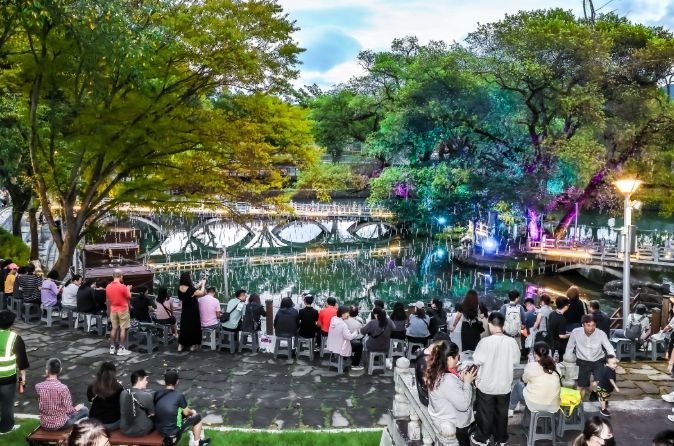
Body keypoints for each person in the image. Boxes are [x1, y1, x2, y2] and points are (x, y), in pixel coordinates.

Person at [470, 312, 521, 446]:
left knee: (485, 413)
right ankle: (501, 438)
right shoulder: (511, 342)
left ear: (490, 325)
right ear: (503, 325)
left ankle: (483, 438)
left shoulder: (485, 342)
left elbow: (477, 360)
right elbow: (515, 360)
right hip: (504, 384)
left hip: (487, 384)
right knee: (502, 413)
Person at [424, 340, 477, 446]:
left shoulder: (436, 369)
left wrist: (460, 379)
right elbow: (463, 405)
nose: (458, 359)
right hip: (453, 425)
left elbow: (449, 392)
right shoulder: (447, 380)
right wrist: (467, 383)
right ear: (449, 359)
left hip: (441, 415)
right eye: (457, 356)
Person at [154, 369, 210, 446]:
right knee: (198, 417)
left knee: (181, 416)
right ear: (177, 382)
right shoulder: (179, 396)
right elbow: (186, 412)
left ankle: (195, 438)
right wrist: (192, 412)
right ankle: (198, 443)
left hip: (160, 430)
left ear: (164, 381)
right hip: (173, 433)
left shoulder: (157, 394)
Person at [567, 314, 615, 400]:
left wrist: (612, 358)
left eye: (593, 325)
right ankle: (578, 403)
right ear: (583, 325)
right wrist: (567, 360)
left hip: (598, 360)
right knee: (581, 386)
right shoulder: (575, 332)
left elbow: (609, 347)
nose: (591, 328)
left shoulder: (601, 334)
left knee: (600, 383)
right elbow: (569, 347)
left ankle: (594, 393)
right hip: (582, 361)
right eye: (588, 325)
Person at [508, 341, 561, 416]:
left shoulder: (531, 366)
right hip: (553, 404)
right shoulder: (555, 365)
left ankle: (510, 409)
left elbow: (524, 379)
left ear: (535, 354)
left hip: (535, 404)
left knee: (518, 385)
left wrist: (530, 364)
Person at [35, 358, 89, 430]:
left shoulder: (38, 386)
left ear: (46, 370)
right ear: (60, 370)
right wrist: (77, 408)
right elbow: (69, 411)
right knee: (84, 410)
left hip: (44, 424)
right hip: (61, 425)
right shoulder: (63, 388)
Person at [0, 310, 29, 433]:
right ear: (11, 323)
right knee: (7, 404)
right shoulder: (15, 338)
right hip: (8, 378)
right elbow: (22, 362)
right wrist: (22, 380)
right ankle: (6, 428)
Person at [414, 332, 451, 406]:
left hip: (427, 395)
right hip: (428, 399)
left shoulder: (426, 352)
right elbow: (432, 388)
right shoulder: (427, 362)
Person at [87, 362, 123, 431]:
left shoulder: (92, 386)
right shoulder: (118, 387)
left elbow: (89, 400)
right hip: (111, 424)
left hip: (94, 422)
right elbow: (122, 403)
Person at [120, 369, 155, 437]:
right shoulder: (147, 396)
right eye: (145, 379)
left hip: (124, 429)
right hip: (140, 431)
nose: (147, 382)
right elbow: (152, 414)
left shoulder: (123, 393)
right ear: (139, 379)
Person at [177, 272, 206, 352]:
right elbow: (201, 293)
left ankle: (181, 345)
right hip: (193, 310)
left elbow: (191, 290)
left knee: (184, 327)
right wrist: (203, 284)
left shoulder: (180, 287)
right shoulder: (191, 289)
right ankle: (193, 345)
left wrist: (198, 284)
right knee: (193, 326)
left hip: (185, 310)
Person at [326, 306, 361, 370]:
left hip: (332, 344)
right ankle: (355, 364)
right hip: (340, 347)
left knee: (348, 341)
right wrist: (356, 332)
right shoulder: (343, 324)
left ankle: (342, 359)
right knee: (359, 345)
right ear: (343, 314)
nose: (349, 315)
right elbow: (349, 337)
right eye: (348, 313)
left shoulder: (333, 319)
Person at [107, 269, 133, 356]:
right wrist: (128, 289)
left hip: (113, 309)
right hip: (123, 309)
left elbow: (108, 299)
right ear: (121, 276)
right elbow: (129, 296)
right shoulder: (123, 287)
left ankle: (112, 348)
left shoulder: (108, 286)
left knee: (114, 328)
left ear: (112, 276)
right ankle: (121, 349)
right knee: (123, 329)